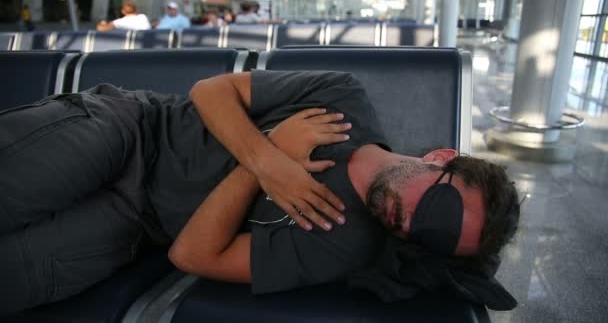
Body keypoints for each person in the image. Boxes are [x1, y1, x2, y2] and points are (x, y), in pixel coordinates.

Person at [0, 70, 520, 314]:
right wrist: (269, 157)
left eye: (426, 237)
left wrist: (263, 166)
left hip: (138, 222)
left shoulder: (343, 240)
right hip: (133, 130)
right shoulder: (342, 99)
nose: (408, 224)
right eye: (436, 208)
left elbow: (192, 254)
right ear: (441, 159)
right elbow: (210, 90)